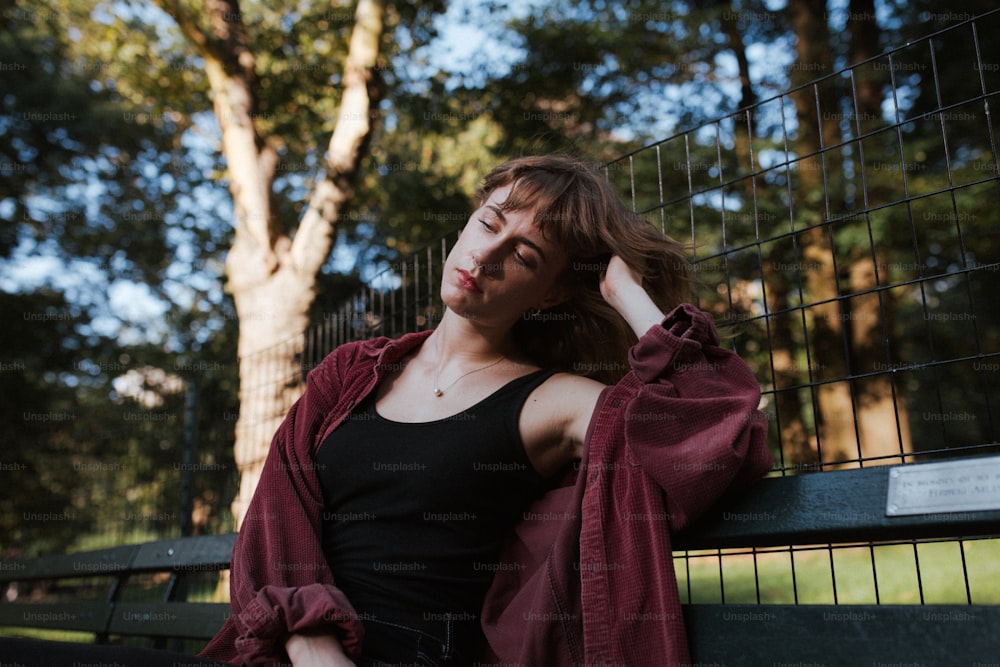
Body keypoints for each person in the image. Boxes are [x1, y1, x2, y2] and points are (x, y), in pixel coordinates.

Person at [192, 154, 773, 667]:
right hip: (292, 647)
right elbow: (274, 517)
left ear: (549, 294)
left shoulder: (556, 402)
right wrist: (309, 641)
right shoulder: (351, 372)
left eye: (522, 254)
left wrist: (627, 294)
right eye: (488, 223)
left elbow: (721, 438)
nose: (486, 253)